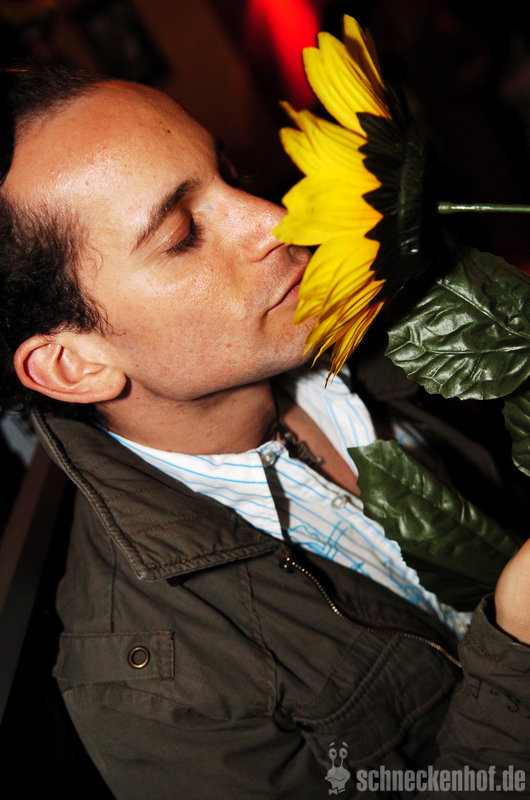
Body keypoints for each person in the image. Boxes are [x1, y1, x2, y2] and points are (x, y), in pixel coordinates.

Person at [1, 65, 528, 799]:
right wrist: (518, 647)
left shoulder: (379, 320)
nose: (277, 219)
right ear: (75, 365)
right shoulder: (156, 697)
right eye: (183, 235)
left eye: (232, 173)